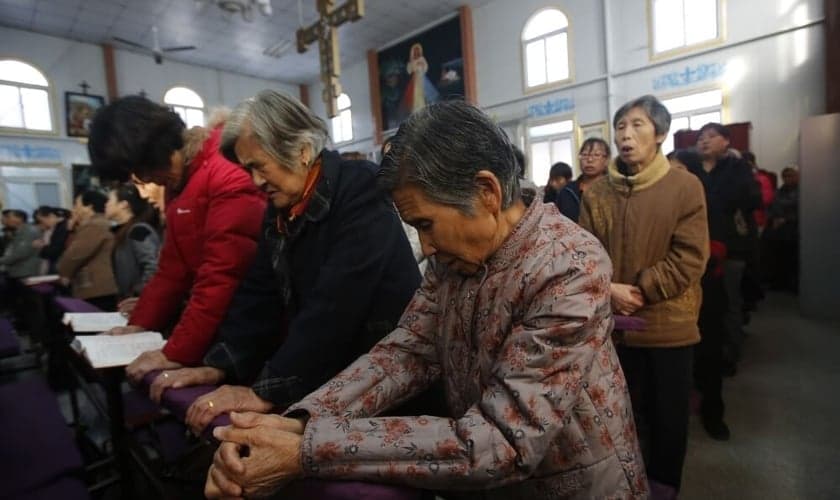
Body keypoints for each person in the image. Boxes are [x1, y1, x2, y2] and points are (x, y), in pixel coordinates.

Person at [205, 100, 647, 500]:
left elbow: (501, 441)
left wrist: (309, 449)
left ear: (486, 192)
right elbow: (407, 351)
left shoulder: (568, 267)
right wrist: (301, 421)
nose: (426, 247)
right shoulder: (456, 257)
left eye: (426, 224)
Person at [146, 90, 424, 435]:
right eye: (247, 169)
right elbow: (257, 296)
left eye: (259, 166)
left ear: (302, 150)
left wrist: (266, 391)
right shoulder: (281, 208)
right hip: (334, 374)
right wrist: (219, 365)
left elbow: (335, 305)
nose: (255, 181)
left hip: (387, 380)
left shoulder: (360, 187)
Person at [579, 95, 709, 496]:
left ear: (661, 134)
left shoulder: (685, 187)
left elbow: (690, 257)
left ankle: (664, 489)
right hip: (612, 328)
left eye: (638, 125)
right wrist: (608, 290)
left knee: (668, 420)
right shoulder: (597, 193)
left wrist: (643, 289)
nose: (626, 135)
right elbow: (584, 253)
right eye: (621, 126)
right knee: (618, 415)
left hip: (668, 327)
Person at [87, 96, 265, 382]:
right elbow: (172, 269)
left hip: (248, 328)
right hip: (222, 323)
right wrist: (139, 324)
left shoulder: (224, 170)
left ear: (155, 149)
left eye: (143, 170)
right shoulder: (182, 180)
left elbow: (223, 274)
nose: (145, 180)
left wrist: (176, 352)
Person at [672, 149, 730, 440]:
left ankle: (713, 414)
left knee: (709, 354)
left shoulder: (708, 200)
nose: (671, 176)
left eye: (679, 170)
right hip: (673, 293)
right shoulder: (662, 201)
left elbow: (718, 246)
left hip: (707, 288)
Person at [695, 122, 761, 369]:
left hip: (731, 246)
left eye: (711, 136)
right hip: (699, 245)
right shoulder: (692, 168)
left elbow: (750, 199)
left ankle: (730, 352)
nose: (704, 140)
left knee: (729, 300)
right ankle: (706, 352)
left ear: (726, 141)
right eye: (701, 137)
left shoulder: (737, 167)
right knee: (705, 302)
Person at [57, 190, 119, 311]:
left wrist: (63, 271)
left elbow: (74, 255)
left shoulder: (94, 225)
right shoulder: (100, 223)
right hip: (102, 287)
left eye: (77, 205)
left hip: (97, 287)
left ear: (89, 207)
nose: (74, 209)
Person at [104, 184, 161, 300]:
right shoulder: (124, 231)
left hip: (140, 300)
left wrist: (138, 294)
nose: (105, 204)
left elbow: (152, 265)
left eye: (109, 200)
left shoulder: (138, 230)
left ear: (123, 205)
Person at [556, 138, 611, 222]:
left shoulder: (615, 189)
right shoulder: (567, 191)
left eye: (596, 155)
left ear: (606, 160)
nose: (589, 160)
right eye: (585, 155)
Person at [765, 165, 800, 292]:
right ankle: (779, 283)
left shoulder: (802, 193)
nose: (787, 179)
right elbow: (772, 206)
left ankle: (793, 284)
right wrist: (774, 218)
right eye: (785, 176)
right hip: (779, 231)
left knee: (793, 259)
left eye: (790, 176)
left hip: (794, 230)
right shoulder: (779, 191)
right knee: (779, 258)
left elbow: (801, 211)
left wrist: (786, 219)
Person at [0, 209, 42, 280]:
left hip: (25, 273)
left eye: (8, 217)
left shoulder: (29, 231)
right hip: (16, 271)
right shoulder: (19, 231)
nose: (4, 219)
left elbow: (19, 254)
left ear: (19, 219)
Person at [32, 206, 70, 274]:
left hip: (60, 265)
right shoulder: (59, 226)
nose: (42, 224)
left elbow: (55, 250)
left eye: (42, 221)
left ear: (51, 216)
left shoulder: (62, 228)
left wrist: (41, 247)